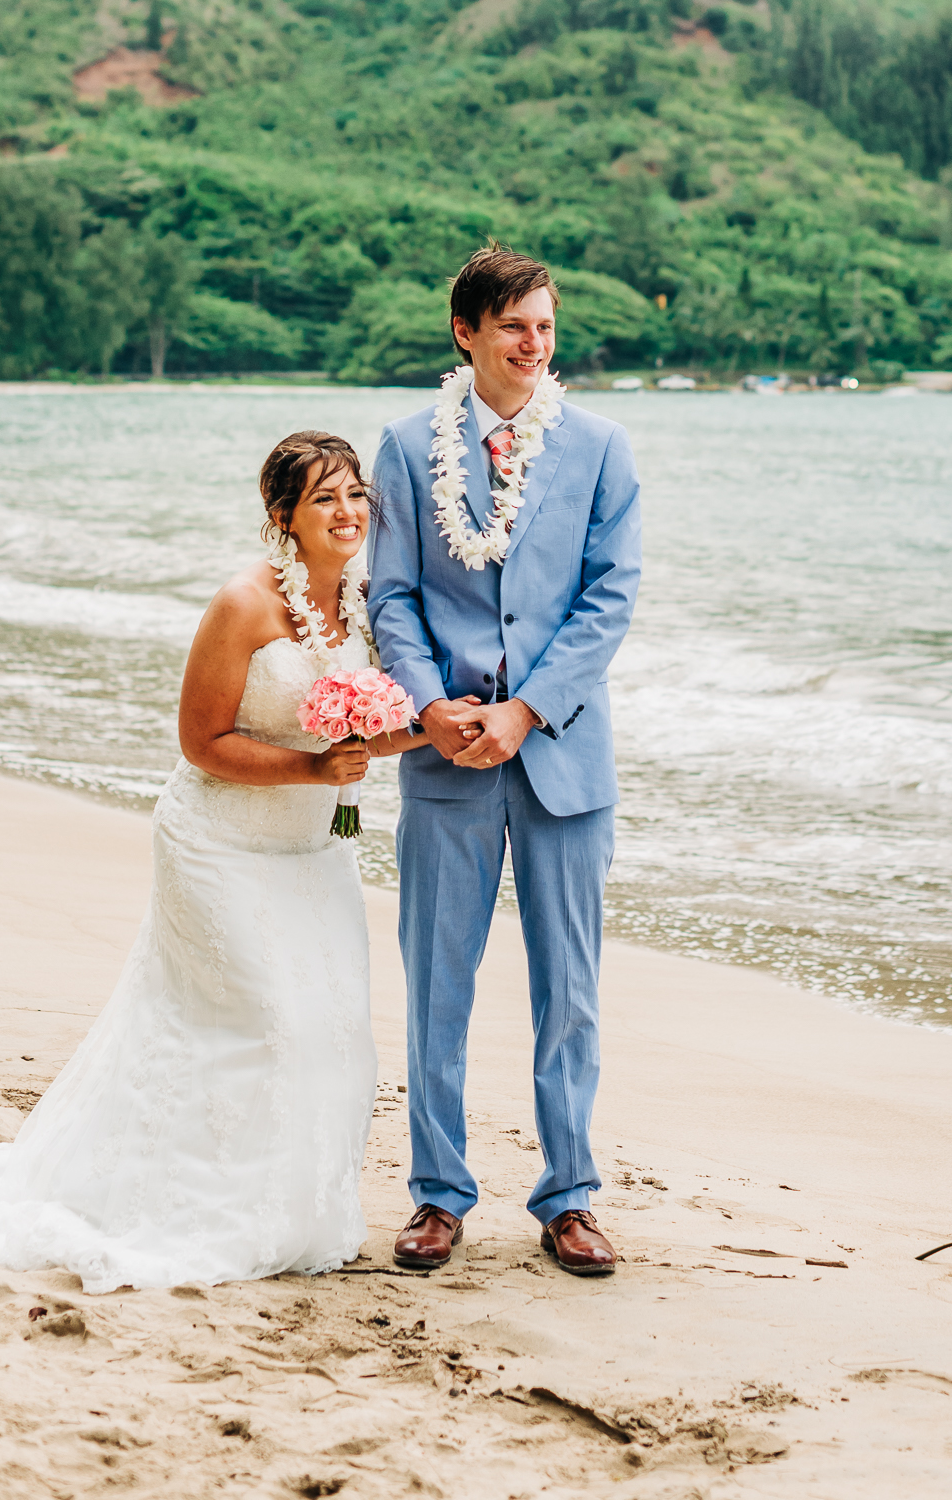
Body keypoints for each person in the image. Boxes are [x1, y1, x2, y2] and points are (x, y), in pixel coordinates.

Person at [0, 432, 416, 1291]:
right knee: (267, 1018)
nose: (347, 512)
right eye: (324, 499)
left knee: (335, 1027)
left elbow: (375, 725)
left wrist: (445, 731)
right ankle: (194, 1207)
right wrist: (314, 766)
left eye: (355, 494)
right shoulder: (243, 604)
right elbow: (201, 742)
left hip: (313, 847)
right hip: (221, 842)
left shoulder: (367, 600)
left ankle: (295, 1211)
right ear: (284, 516)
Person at [368, 244, 642, 1278]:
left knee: (568, 988)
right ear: (466, 332)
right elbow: (389, 595)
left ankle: (568, 1195)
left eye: (546, 327)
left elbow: (609, 596)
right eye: (514, 325)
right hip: (443, 756)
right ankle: (438, 1195)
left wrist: (527, 709)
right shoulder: (403, 447)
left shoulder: (603, 446)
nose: (534, 345)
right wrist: (431, 705)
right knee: (438, 984)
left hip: (561, 753)